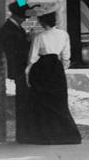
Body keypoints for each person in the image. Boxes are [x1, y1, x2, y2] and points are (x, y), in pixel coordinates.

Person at [24, 11, 81, 145]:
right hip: (57, 68)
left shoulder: (40, 36)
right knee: (59, 102)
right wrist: (61, 70)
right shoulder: (64, 35)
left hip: (42, 69)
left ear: (43, 22)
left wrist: (28, 74)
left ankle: (46, 136)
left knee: (44, 102)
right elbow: (66, 56)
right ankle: (67, 135)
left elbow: (32, 58)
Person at [0, 1, 31, 142]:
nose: (25, 19)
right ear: (17, 16)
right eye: (23, 16)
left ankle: (24, 133)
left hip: (21, 69)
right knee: (22, 101)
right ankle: (23, 135)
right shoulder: (9, 29)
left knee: (24, 100)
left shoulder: (15, 27)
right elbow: (15, 52)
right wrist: (28, 42)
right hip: (19, 69)